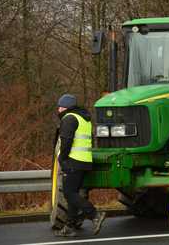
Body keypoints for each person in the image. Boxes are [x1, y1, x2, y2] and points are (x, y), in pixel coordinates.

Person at [54, 94, 106, 237]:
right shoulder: (84, 119)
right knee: (73, 194)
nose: (58, 109)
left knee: (69, 193)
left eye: (59, 107)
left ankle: (95, 214)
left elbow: (66, 142)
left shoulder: (69, 118)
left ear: (65, 108)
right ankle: (69, 227)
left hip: (73, 161)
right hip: (85, 162)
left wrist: (62, 160)